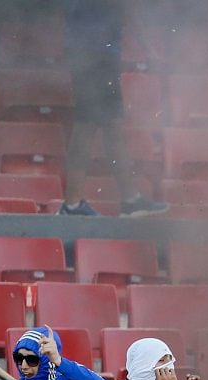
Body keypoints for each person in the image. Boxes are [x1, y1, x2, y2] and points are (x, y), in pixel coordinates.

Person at [58, 0, 168, 217]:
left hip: (91, 50)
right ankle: (72, 204)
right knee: (87, 126)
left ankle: (128, 200)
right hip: (95, 52)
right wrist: (148, 48)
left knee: (110, 126)